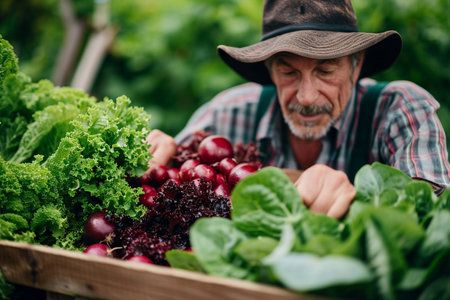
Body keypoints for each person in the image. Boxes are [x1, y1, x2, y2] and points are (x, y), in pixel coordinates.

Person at [146, 0, 450, 219]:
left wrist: (362, 198)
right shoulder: (229, 112)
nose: (305, 98)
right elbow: (167, 166)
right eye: (288, 72)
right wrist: (160, 151)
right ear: (270, 69)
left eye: (325, 70)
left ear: (356, 67)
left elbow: (433, 211)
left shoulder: (400, 109)